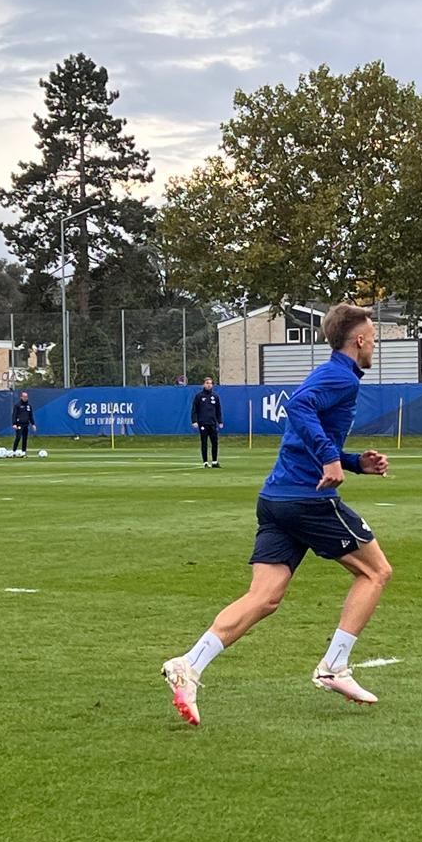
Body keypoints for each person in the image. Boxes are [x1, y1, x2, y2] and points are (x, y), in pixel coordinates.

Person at [161, 305, 392, 727]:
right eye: (374, 336)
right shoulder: (339, 377)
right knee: (376, 573)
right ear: (359, 340)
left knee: (264, 598)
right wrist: (329, 459)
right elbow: (299, 407)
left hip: (276, 499)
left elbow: (304, 430)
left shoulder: (333, 376)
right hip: (307, 500)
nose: (375, 343)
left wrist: (355, 462)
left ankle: (188, 665)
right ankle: (333, 667)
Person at [191, 376, 223, 468]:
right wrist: (194, 421)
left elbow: (218, 410)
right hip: (203, 423)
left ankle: (214, 461)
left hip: (212, 423)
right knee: (204, 443)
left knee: (215, 442)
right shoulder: (199, 396)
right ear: (203, 384)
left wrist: (220, 421)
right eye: (207, 383)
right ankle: (205, 462)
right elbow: (194, 410)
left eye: (210, 383)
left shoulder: (215, 396)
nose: (209, 385)